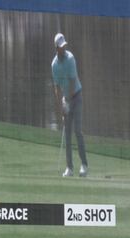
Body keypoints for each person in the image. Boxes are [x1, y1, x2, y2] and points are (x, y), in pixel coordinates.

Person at [51, 32, 88, 177]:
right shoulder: (54, 65)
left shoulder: (71, 59)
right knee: (67, 134)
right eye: (61, 46)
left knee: (77, 131)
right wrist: (61, 107)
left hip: (76, 96)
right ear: (56, 48)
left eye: (64, 45)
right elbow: (57, 87)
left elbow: (72, 82)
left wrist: (68, 102)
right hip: (66, 97)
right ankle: (69, 168)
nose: (63, 48)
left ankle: (84, 165)